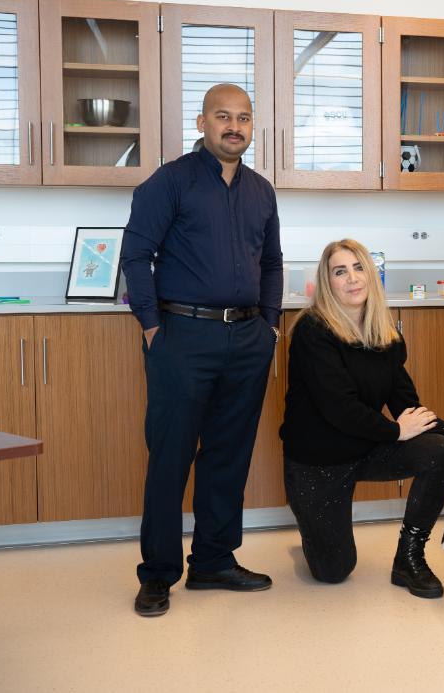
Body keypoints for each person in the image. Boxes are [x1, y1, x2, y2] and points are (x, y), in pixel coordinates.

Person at [120, 83, 283, 617]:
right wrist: (150, 327)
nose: (233, 126)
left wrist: (272, 326)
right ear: (201, 122)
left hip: (247, 339)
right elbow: (135, 256)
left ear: (252, 126)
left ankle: (213, 559)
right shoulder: (168, 182)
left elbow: (272, 264)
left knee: (228, 455)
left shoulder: (262, 190)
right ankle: (159, 573)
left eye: (243, 118)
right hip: (181, 338)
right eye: (222, 116)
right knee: (170, 458)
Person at [281, 239, 444, 597]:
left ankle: (409, 559)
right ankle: (312, 528)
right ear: (328, 282)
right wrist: (396, 431)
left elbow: (407, 406)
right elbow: (339, 409)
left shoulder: (386, 336)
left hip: (364, 447)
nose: (352, 278)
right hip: (317, 462)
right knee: (333, 571)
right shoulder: (312, 331)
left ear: (371, 275)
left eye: (358, 268)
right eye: (340, 271)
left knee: (439, 453)